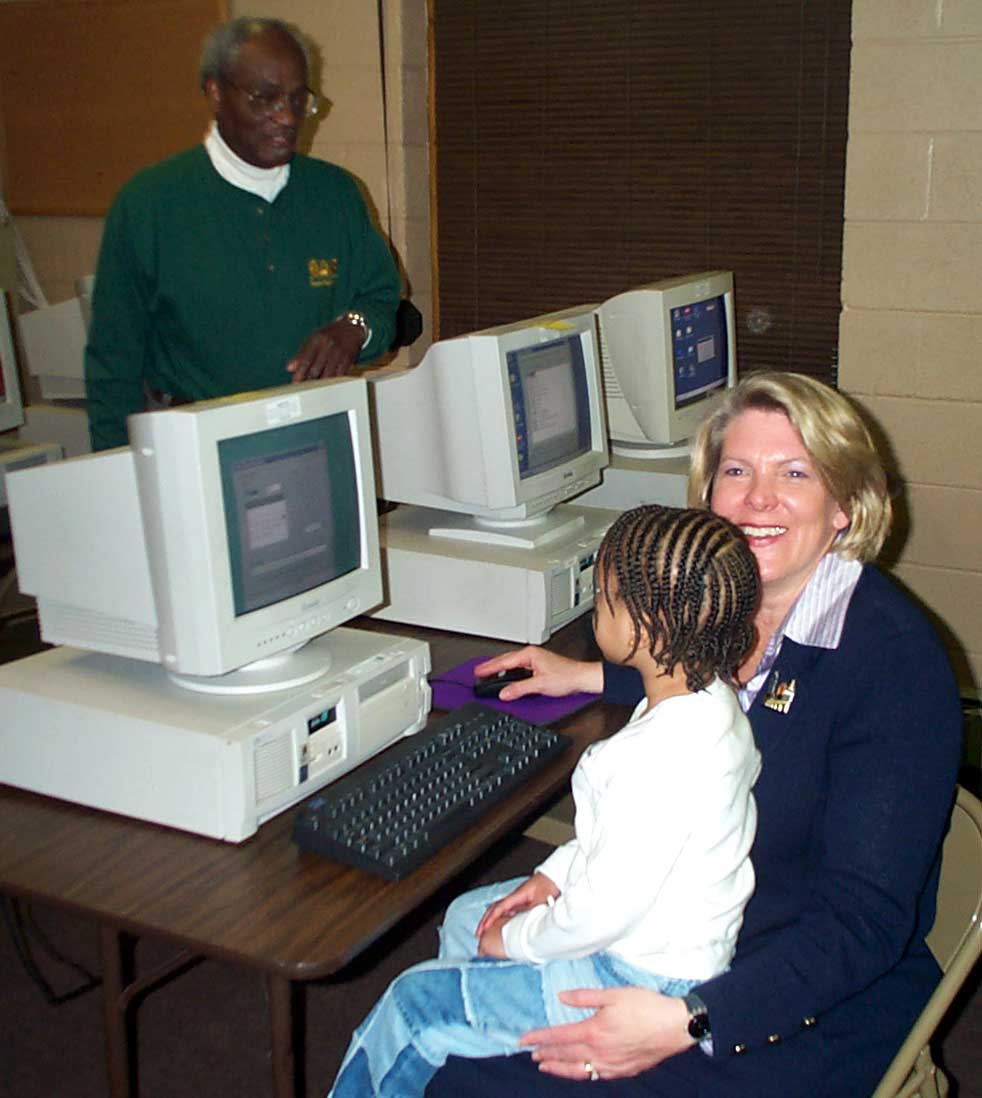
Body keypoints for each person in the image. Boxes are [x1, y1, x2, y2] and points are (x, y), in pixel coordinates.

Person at [425, 371, 963, 1097]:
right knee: (470, 937)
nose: (757, 498)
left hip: (790, 988)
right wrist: (588, 676)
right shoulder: (722, 609)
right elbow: (708, 681)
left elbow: (861, 925)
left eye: (794, 473)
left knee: (470, 1075)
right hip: (694, 915)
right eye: (736, 470)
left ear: (845, 505)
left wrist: (690, 1020)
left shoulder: (893, 664)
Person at [329, 505, 763, 1097]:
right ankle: (477, 1030)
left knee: (412, 1005)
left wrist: (517, 941)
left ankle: (445, 1030)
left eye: (605, 599)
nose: (593, 608)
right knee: (466, 917)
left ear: (649, 626)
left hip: (630, 973)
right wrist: (550, 875)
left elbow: (601, 911)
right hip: (671, 940)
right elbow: (620, 845)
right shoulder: (712, 702)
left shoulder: (656, 760)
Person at [84, 16, 402, 451]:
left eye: (297, 99)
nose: (287, 117)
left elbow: (382, 301)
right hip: (194, 447)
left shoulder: (336, 195)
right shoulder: (149, 204)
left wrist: (354, 328)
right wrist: (118, 475)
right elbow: (112, 367)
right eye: (266, 98)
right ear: (215, 92)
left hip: (314, 439)